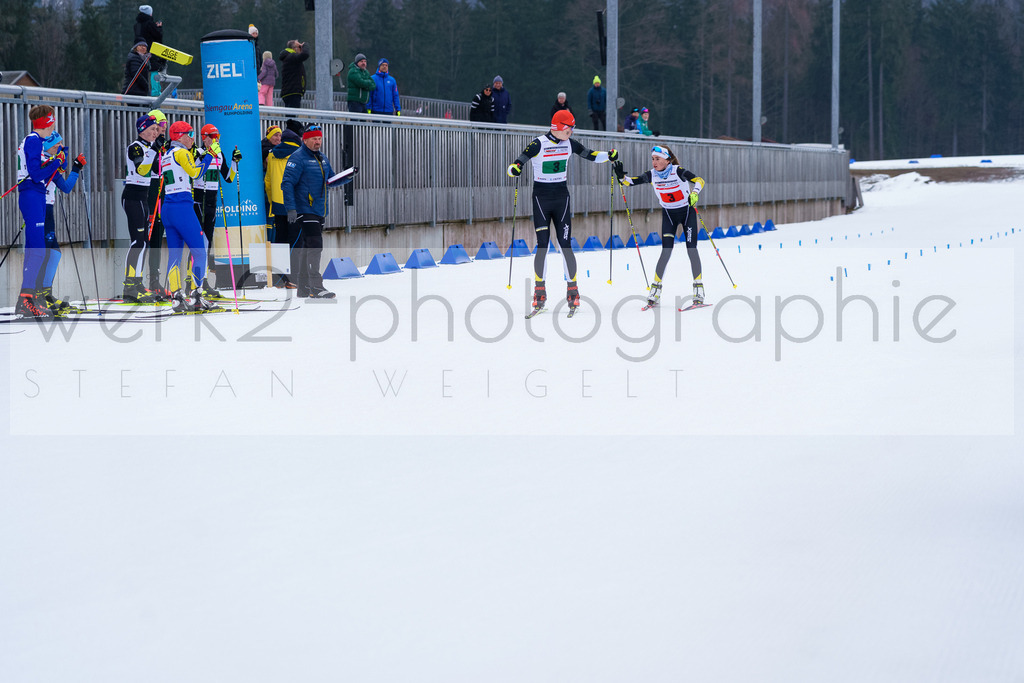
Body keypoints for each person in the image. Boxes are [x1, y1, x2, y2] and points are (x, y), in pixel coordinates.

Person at [506, 110, 618, 316]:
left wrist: (608, 156)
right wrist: (514, 168)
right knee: (542, 245)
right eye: (569, 128)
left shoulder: (570, 143)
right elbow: (520, 160)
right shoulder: (538, 143)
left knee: (565, 245)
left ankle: (572, 291)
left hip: (561, 198)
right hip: (541, 198)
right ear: (558, 127)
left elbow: (590, 155)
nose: (572, 131)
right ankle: (540, 294)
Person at [614, 144, 706, 307]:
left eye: (657, 159)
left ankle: (698, 290)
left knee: (691, 249)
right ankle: (655, 290)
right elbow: (630, 182)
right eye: (652, 159)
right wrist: (621, 176)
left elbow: (699, 180)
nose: (654, 162)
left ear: (667, 160)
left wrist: (694, 193)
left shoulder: (677, 170)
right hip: (669, 215)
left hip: (687, 213)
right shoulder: (652, 175)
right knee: (665, 251)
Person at [281, 123, 356, 298]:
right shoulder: (297, 158)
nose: (318, 142)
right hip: (304, 208)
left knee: (308, 246)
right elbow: (287, 183)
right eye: (314, 138)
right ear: (305, 140)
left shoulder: (322, 158)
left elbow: (330, 180)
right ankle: (316, 286)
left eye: (320, 138)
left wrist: (347, 177)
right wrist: (291, 208)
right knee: (315, 246)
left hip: (319, 209)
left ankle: (303, 287)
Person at [13, 106, 66, 318]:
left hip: (35, 195)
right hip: (33, 194)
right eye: (51, 122)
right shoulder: (34, 139)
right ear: (47, 123)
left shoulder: (32, 140)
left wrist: (53, 162)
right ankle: (26, 300)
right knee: (37, 249)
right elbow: (35, 174)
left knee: (36, 248)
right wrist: (56, 163)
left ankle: (28, 299)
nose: (53, 125)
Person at [159, 121, 216, 312]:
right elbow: (196, 174)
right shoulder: (182, 152)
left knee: (175, 254)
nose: (193, 137)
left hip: (168, 207)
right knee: (200, 249)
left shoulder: (168, 153)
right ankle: (197, 295)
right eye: (190, 133)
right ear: (179, 136)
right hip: (182, 206)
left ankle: (176, 297)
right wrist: (209, 155)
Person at [35, 133, 86, 316]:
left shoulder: (50, 159)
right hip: (42, 209)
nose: (60, 146)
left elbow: (60, 175)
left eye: (61, 144)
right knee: (46, 253)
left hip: (48, 208)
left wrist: (65, 162)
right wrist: (76, 168)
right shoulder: (46, 161)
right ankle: (39, 296)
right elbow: (65, 187)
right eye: (57, 144)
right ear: (48, 146)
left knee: (54, 253)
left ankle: (46, 294)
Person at [192, 124, 242, 297]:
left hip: (211, 202)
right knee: (198, 243)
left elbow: (229, 178)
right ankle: (192, 283)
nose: (216, 140)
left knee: (207, 243)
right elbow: (196, 173)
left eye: (217, 136)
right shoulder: (197, 152)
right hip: (199, 201)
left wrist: (235, 162)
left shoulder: (219, 154)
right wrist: (210, 153)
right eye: (212, 137)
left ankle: (203, 281)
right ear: (204, 137)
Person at [120, 113, 164, 303]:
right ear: (142, 130)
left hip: (143, 197)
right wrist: (154, 152)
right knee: (137, 241)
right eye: (153, 129)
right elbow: (141, 169)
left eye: (157, 129)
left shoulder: (149, 147)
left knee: (144, 241)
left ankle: (137, 283)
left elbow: (155, 170)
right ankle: (129, 285)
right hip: (132, 196)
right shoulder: (135, 147)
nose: (156, 133)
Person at [264, 128, 301, 288]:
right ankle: (294, 278)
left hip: (278, 205)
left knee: (280, 241)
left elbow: (268, 181)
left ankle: (280, 279)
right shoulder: (299, 155)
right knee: (296, 241)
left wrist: (273, 202)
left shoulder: (272, 154)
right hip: (295, 204)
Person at [145, 109, 171, 299]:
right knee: (145, 236)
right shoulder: (146, 145)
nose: (162, 130)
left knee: (157, 237)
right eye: (160, 126)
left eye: (164, 126)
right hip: (148, 190)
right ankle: (137, 280)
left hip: (162, 190)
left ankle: (155, 280)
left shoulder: (164, 144)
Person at [133, 5, 165, 74]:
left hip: (139, 51)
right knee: (154, 70)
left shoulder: (137, 25)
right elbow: (158, 36)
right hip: (151, 51)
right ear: (149, 13)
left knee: (141, 72)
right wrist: (159, 28)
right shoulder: (150, 24)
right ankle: (155, 85)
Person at [279, 40, 309, 109]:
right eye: (299, 46)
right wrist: (305, 45)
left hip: (291, 92)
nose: (301, 48)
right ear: (294, 48)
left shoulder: (289, 57)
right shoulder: (291, 57)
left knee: (291, 116)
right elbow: (305, 55)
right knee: (292, 117)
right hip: (293, 92)